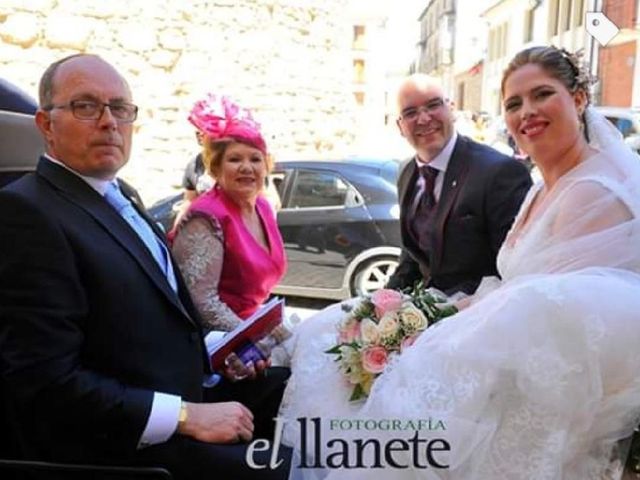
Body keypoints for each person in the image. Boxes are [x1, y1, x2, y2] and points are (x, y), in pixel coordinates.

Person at [279, 46, 640, 479]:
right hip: (481, 327)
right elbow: (428, 263)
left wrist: (439, 328)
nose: (527, 111)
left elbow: (561, 318)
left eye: (542, 94)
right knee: (330, 336)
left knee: (394, 418)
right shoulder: (538, 189)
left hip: (531, 380)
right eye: (513, 103)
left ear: (579, 99)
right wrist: (398, 311)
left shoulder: (589, 192)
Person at [0, 53, 291, 480]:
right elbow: (45, 382)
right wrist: (186, 417)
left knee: (302, 395)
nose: (108, 122)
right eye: (85, 106)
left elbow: (152, 317)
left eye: (120, 108)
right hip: (119, 444)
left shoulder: (122, 194)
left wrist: (219, 355)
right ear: (46, 125)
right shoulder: (26, 212)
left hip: (190, 390)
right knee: (289, 466)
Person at [386, 73, 532, 296]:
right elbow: (412, 259)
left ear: (451, 109)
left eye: (433, 105)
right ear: (400, 126)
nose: (424, 119)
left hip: (479, 317)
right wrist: (376, 308)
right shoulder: (406, 173)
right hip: (425, 319)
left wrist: (447, 312)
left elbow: (512, 270)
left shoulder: (499, 172)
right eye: (410, 113)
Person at [170, 93, 287, 336]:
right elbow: (201, 303)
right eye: (235, 159)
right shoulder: (206, 216)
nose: (247, 167)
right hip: (216, 344)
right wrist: (253, 336)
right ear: (216, 167)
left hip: (251, 328)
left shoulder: (263, 208)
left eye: (255, 159)